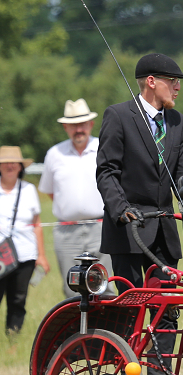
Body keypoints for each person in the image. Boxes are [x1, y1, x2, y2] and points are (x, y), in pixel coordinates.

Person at [96, 53, 183, 375]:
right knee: (133, 310)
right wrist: (121, 209)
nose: (178, 87)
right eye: (172, 80)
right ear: (152, 81)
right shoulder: (119, 116)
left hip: (164, 232)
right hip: (129, 231)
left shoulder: (177, 121)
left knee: (166, 312)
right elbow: (106, 171)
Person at [39, 98, 114, 297]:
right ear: (65, 127)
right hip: (67, 231)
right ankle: (78, 329)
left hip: (101, 227)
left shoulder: (104, 148)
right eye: (73, 125)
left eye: (82, 124)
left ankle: (103, 328)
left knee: (104, 284)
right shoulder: (54, 154)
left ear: (90, 124)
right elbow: (50, 191)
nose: (78, 129)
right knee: (71, 287)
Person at [0, 146, 50, 335]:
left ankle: (13, 337)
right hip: (0, 256)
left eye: (14, 162)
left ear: (21, 166)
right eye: (5, 162)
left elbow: (37, 223)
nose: (10, 166)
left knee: (18, 299)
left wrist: (42, 256)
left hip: (25, 254)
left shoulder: (29, 190)